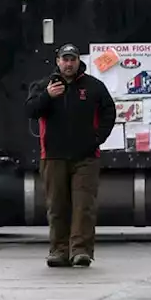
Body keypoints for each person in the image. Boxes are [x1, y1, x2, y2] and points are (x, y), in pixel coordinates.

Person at [25, 44, 116, 269]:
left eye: (72, 59)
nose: (68, 63)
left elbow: (109, 112)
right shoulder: (43, 86)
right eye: (64, 59)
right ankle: (59, 250)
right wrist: (47, 96)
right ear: (57, 61)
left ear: (78, 61)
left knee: (83, 206)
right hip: (53, 157)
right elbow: (30, 111)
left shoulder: (94, 87)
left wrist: (97, 139)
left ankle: (81, 252)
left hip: (86, 158)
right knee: (57, 207)